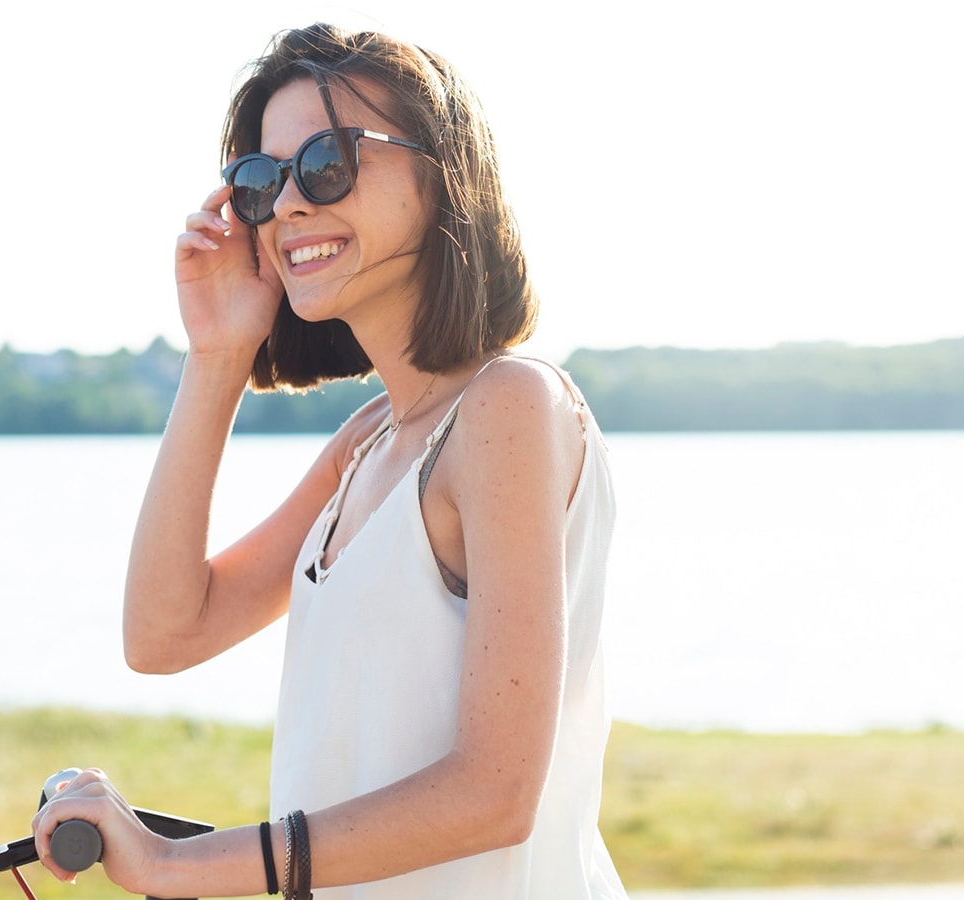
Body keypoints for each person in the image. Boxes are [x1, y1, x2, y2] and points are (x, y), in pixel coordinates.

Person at [32, 23, 626, 899]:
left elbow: (495, 795)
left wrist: (172, 865)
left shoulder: (509, 405)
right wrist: (218, 356)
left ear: (442, 173)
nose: (290, 207)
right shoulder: (371, 441)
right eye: (261, 183)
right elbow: (163, 633)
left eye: (329, 161)